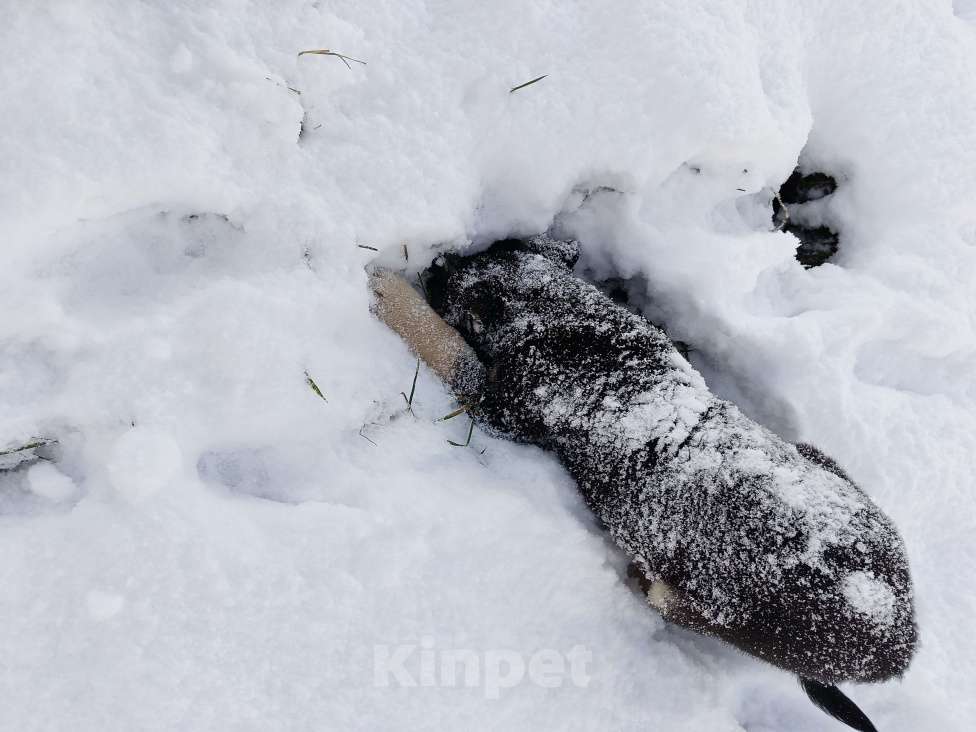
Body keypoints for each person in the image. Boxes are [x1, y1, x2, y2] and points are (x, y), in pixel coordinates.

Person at [370, 235, 916, 732]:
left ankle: (498, 281)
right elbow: (658, 591)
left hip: (664, 397)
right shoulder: (539, 394)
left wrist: (391, 297)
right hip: (642, 445)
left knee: (539, 397)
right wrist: (665, 585)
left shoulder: (606, 360)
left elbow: (808, 462)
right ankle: (505, 280)